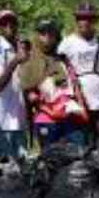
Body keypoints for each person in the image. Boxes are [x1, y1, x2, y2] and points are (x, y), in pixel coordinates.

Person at [21, 20, 88, 149]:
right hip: (46, 119)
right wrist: (50, 110)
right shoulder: (30, 62)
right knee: (51, 160)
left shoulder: (62, 59)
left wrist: (82, 108)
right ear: (37, 36)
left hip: (70, 117)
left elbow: (74, 86)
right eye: (42, 33)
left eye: (50, 33)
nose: (46, 37)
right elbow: (30, 95)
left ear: (56, 36)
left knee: (78, 157)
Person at [58, 3, 99, 142]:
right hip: (77, 101)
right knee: (82, 142)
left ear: (95, 21)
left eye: (89, 18)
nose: (84, 22)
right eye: (81, 18)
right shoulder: (67, 43)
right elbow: (60, 70)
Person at [0, 10, 30, 159]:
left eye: (12, 22)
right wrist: (15, 61)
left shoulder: (21, 48)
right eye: (4, 23)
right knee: (7, 172)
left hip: (20, 120)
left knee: (24, 168)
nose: (9, 25)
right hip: (4, 122)